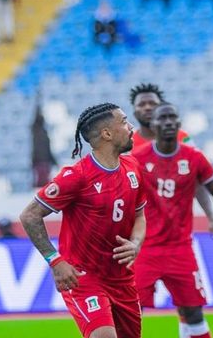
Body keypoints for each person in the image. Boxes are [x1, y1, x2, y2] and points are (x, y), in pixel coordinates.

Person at [20, 103, 147, 338]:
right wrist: (55, 261)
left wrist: (136, 243)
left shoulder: (133, 168)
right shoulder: (77, 176)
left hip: (122, 279)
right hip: (84, 277)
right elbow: (29, 215)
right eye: (124, 121)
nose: (131, 127)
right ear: (107, 134)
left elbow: (140, 215)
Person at [132, 103, 213, 338]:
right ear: (153, 124)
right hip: (144, 248)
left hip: (180, 249)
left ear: (179, 124)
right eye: (163, 118)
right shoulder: (137, 158)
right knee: (130, 311)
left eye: (173, 117)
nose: (169, 122)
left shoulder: (194, 158)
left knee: (193, 313)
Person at [129, 83, 213, 234]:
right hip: (141, 228)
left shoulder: (182, 138)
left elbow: (197, 180)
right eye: (141, 104)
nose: (147, 107)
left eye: (152, 103)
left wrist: (211, 217)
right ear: (134, 110)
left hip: (178, 226)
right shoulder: (128, 144)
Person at [32, 102, 58, 188]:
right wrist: (38, 106)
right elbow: (36, 120)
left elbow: (48, 149)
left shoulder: (44, 133)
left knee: (45, 182)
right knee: (40, 182)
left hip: (44, 161)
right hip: (39, 160)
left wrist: (53, 161)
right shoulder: (36, 130)